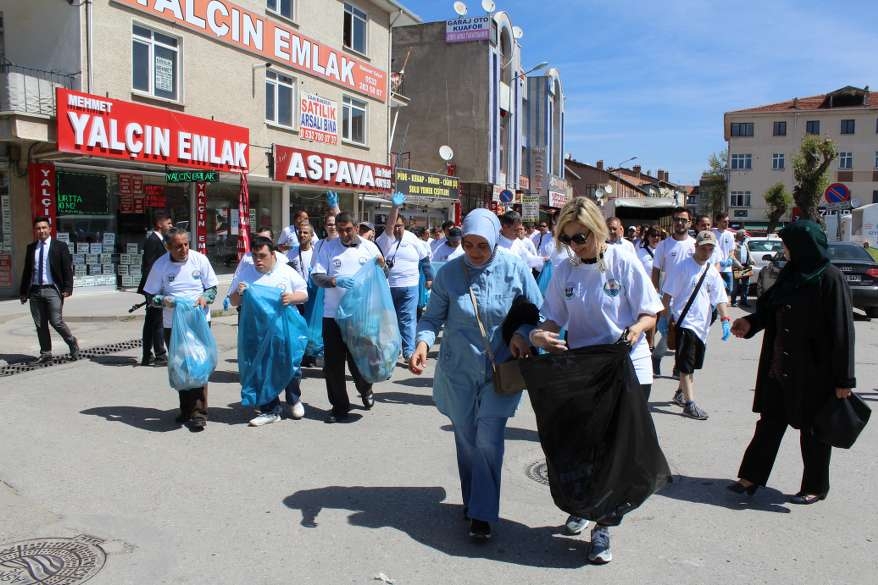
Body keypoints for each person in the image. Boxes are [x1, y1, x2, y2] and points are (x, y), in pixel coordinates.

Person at [527, 197, 662, 564]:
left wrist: (636, 329)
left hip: (627, 367)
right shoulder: (565, 270)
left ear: (597, 230)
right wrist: (540, 336)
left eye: (581, 237)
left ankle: (603, 527)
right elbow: (552, 318)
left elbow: (651, 313)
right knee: (580, 449)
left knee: (611, 455)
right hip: (584, 372)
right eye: (568, 239)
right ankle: (583, 505)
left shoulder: (623, 262)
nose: (576, 245)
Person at [409, 208, 542, 541]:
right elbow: (430, 319)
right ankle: (473, 501)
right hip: (458, 371)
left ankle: (482, 515)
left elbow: (538, 313)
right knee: (467, 440)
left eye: (482, 245)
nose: (475, 252)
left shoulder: (515, 269)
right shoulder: (450, 274)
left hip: (502, 371)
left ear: (496, 239)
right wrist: (422, 345)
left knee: (488, 440)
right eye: (469, 244)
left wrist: (521, 334)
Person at [728, 221, 855, 504]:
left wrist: (844, 380)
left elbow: (842, 331)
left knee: (813, 431)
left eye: (787, 245)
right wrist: (750, 322)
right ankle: (750, 477)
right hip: (779, 366)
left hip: (815, 373)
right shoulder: (790, 274)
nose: (784, 249)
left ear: (803, 246)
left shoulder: (830, 278)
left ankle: (815, 486)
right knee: (769, 423)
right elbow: (771, 309)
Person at [311, 211, 385, 423]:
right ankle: (339, 407)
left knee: (358, 361)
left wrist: (382, 266)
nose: (343, 234)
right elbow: (317, 276)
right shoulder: (328, 247)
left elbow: (383, 275)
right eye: (340, 229)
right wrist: (335, 281)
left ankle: (365, 388)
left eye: (348, 229)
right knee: (333, 365)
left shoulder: (369, 247)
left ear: (356, 227)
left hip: (360, 315)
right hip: (332, 315)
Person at [143, 227, 218, 431]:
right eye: (178, 246)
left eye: (186, 244)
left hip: (198, 321)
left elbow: (212, 288)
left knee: (198, 364)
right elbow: (151, 296)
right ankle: (186, 409)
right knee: (181, 365)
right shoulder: (161, 265)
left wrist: (206, 298)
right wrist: (164, 301)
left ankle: (199, 413)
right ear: (168, 247)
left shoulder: (199, 260)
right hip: (173, 323)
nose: (183, 249)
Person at [229, 236, 309, 426]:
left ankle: (293, 399)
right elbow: (233, 302)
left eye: (262, 256)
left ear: (273, 255)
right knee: (261, 369)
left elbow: (304, 294)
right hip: (257, 332)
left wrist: (291, 298)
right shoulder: (246, 274)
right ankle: (271, 410)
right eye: (255, 256)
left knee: (289, 364)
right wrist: (238, 293)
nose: (258, 260)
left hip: (284, 329)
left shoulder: (285, 271)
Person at [659, 230, 731, 420]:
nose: (706, 251)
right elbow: (667, 296)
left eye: (710, 248)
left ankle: (680, 393)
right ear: (696, 247)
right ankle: (690, 404)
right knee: (686, 365)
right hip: (685, 323)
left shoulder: (712, 272)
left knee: (693, 364)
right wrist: (663, 319)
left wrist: (725, 320)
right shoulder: (682, 268)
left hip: (702, 327)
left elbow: (720, 298)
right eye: (703, 247)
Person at [376, 193, 433, 361]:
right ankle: (393, 350)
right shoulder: (384, 239)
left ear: (405, 225)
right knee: (389, 321)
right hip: (389, 287)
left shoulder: (413, 239)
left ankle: (408, 351)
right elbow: (388, 229)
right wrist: (395, 208)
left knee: (408, 319)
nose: (397, 229)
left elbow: (425, 260)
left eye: (400, 226)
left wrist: (429, 277)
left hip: (410, 286)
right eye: (395, 225)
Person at [19, 216, 79, 362]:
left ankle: (72, 342)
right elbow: (27, 271)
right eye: (38, 228)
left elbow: (67, 269)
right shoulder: (31, 248)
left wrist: (68, 288)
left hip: (53, 289)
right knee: (40, 323)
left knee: (56, 321)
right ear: (35, 231)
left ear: (50, 229)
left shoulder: (60, 246)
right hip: (35, 290)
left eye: (44, 227)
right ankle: (46, 352)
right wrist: (23, 292)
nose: (41, 231)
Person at [651, 207, 695, 376]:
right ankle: (657, 356)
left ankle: (679, 366)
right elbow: (655, 270)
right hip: (667, 298)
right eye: (677, 219)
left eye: (683, 220)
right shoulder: (664, 245)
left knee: (686, 334)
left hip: (689, 298)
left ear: (689, 223)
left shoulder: (694, 245)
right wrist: (656, 294)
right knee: (670, 332)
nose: (680, 223)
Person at [138, 211, 173, 366]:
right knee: (157, 321)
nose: (171, 226)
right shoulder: (153, 240)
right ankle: (160, 354)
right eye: (169, 223)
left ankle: (147, 355)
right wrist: (152, 290)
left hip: (154, 287)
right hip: (154, 289)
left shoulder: (159, 240)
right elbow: (149, 267)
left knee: (151, 321)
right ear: (160, 224)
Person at [713, 212, 736, 294]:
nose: (727, 223)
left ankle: (724, 305)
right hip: (716, 267)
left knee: (729, 290)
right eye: (724, 221)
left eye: (728, 221)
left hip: (727, 268)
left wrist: (729, 259)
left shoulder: (730, 234)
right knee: (716, 290)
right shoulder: (712, 233)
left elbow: (732, 250)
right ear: (718, 222)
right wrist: (718, 261)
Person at [730, 230, 752, 307]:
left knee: (746, 285)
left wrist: (751, 260)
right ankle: (733, 301)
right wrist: (738, 265)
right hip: (737, 267)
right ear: (739, 236)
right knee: (735, 286)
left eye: (745, 235)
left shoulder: (745, 244)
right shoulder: (735, 245)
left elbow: (749, 253)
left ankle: (744, 301)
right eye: (743, 235)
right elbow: (732, 256)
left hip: (745, 266)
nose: (745, 237)